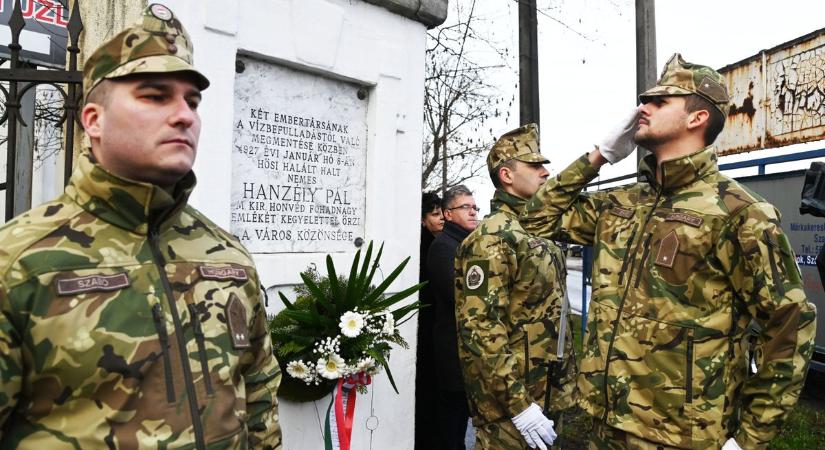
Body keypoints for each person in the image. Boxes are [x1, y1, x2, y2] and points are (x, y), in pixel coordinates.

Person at [0, 5, 282, 448]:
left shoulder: (226, 255)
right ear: (93, 119)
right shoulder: (18, 262)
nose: (185, 115)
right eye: (155, 96)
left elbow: (259, 396)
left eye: (192, 101)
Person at [521, 53, 817, 450]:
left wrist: (749, 439)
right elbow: (535, 219)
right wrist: (598, 156)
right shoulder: (621, 203)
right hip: (603, 424)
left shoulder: (739, 213)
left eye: (659, 102)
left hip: (681, 437)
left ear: (697, 118)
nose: (641, 108)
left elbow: (789, 324)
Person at [454, 124, 577, 450]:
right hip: (510, 410)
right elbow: (480, 330)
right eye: (535, 165)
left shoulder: (538, 229)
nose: (546, 172)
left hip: (547, 394)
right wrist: (519, 406)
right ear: (506, 175)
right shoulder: (492, 237)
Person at [427, 185, 479, 450]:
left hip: (470, 353)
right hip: (454, 356)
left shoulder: (468, 244)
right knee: (452, 430)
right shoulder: (444, 247)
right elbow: (461, 297)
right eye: (465, 207)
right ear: (447, 214)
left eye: (475, 207)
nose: (473, 212)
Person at [416, 191, 444, 450]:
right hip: (425, 326)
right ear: (423, 220)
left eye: (441, 212)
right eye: (435, 214)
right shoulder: (423, 247)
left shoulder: (441, 242)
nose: (441, 218)